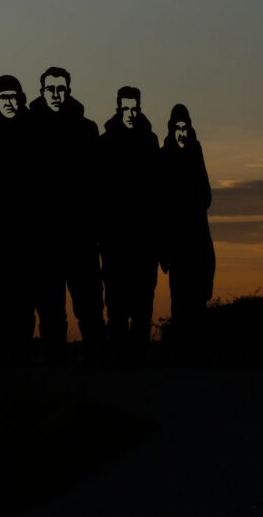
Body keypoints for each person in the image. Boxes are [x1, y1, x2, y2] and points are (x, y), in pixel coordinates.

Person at [28, 67, 105, 364]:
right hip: (44, 237)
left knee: (89, 308)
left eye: (61, 89)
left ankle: (98, 364)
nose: (56, 94)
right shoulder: (30, 129)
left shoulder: (87, 129)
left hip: (81, 236)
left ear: (69, 90)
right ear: (42, 91)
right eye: (51, 89)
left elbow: (98, 182)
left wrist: (95, 226)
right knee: (49, 310)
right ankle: (55, 368)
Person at [0, 74, 36, 361]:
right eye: (3, 97)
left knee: (24, 301)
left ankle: (21, 351)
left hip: (27, 235)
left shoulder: (33, 132)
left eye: (14, 97)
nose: (9, 102)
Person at [99, 86, 160, 366]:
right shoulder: (105, 143)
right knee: (116, 302)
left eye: (135, 108)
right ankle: (120, 356)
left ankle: (138, 356)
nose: (131, 113)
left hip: (145, 237)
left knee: (143, 302)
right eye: (126, 108)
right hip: (114, 237)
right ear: (118, 108)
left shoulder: (150, 142)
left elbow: (160, 191)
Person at [158, 104, 216, 348]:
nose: (181, 133)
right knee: (180, 297)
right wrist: (163, 249)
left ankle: (197, 346)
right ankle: (183, 348)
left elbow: (206, 197)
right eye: (177, 128)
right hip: (177, 243)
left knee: (199, 295)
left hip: (198, 239)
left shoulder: (195, 154)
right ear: (171, 130)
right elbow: (159, 204)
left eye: (185, 128)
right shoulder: (164, 158)